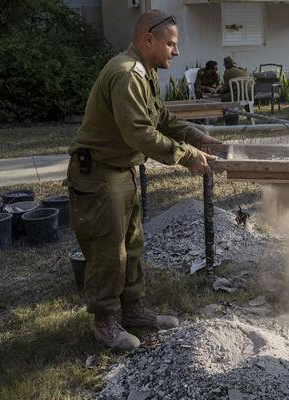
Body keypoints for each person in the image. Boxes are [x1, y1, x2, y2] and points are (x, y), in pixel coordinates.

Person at [67, 10, 221, 351]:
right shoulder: (127, 74)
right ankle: (104, 320)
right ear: (147, 39)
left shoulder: (145, 71)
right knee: (109, 252)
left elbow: (160, 117)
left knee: (132, 244)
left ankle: (133, 310)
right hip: (98, 174)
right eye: (171, 44)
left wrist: (197, 136)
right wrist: (188, 156)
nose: (176, 52)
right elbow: (140, 134)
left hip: (119, 171)